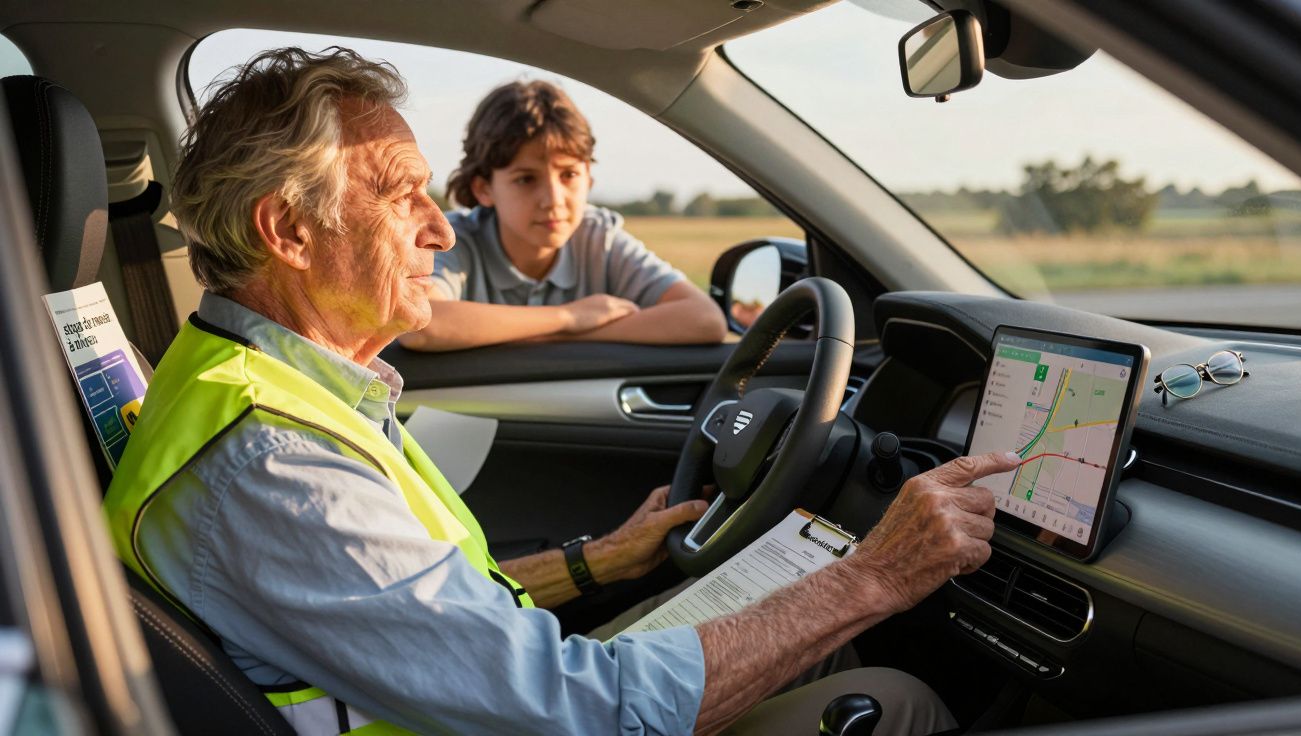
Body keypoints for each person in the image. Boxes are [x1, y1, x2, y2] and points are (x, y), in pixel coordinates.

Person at [103, 47, 1021, 735]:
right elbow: (581, 710)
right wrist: (877, 575)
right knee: (895, 701)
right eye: (400, 196)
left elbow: (419, 613)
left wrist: (597, 562)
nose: (442, 231)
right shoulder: (271, 460)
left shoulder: (268, 392)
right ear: (289, 231)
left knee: (824, 647)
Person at [397, 79, 728, 351]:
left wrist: (562, 336)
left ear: (589, 179)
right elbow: (423, 325)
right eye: (526, 179)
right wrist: (570, 317)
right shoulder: (457, 241)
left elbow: (704, 319)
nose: (553, 200)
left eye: (569, 175)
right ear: (484, 189)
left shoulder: (599, 239)